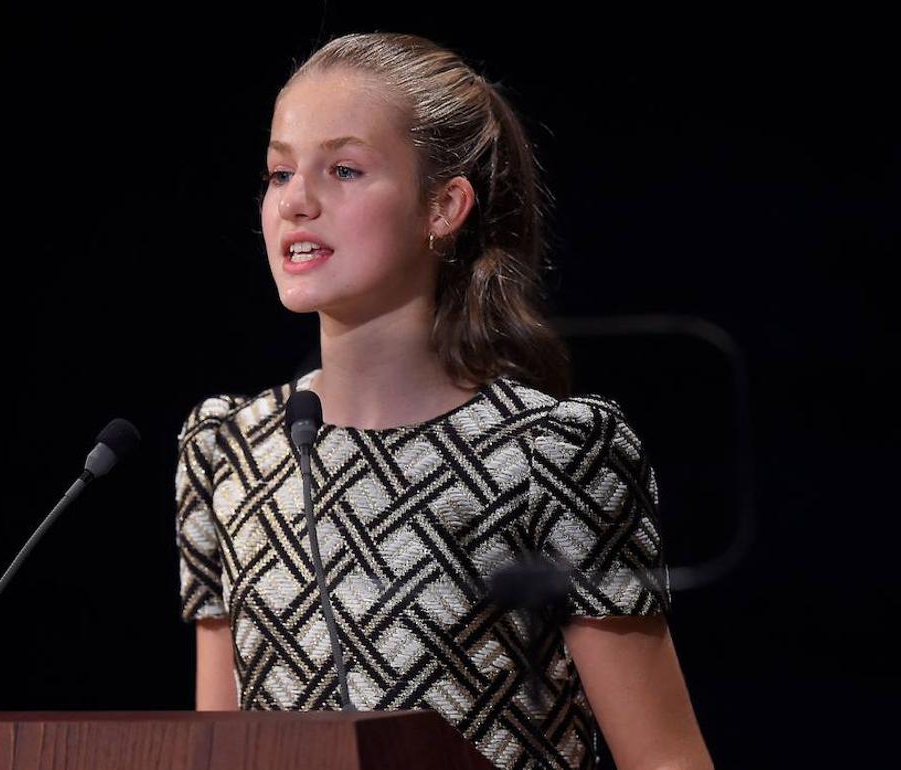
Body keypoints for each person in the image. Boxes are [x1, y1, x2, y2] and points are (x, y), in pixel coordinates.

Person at [174, 32, 713, 770]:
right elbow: (222, 751)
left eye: (344, 169)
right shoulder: (226, 450)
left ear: (444, 205)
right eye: (277, 172)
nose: (296, 201)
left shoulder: (553, 452)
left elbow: (666, 761)